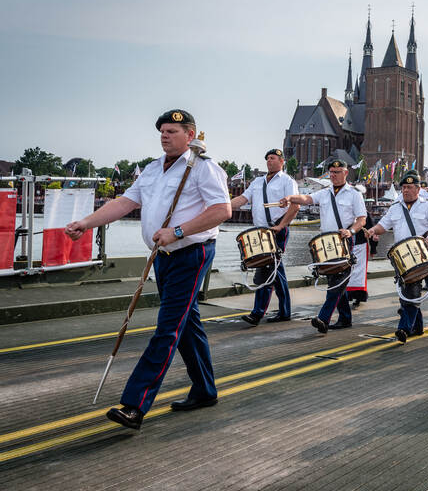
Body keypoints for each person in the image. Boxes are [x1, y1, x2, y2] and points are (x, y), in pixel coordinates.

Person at [65, 109, 231, 430]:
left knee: (167, 328)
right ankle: (205, 389)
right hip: (162, 256)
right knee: (186, 323)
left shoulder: (203, 169)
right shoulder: (154, 169)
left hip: (190, 253)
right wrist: (86, 223)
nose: (165, 136)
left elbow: (221, 210)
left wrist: (178, 231)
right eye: (162, 132)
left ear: (191, 134)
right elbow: (125, 203)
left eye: (172, 131)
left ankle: (135, 404)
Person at [278, 159, 366, 333]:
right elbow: (307, 198)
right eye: (331, 172)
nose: (333, 175)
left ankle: (323, 318)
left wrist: (351, 231)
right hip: (326, 242)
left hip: (343, 239)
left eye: (337, 172)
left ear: (346, 173)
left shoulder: (354, 194)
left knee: (338, 280)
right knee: (335, 279)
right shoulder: (325, 193)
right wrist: (290, 198)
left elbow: (361, 219)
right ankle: (345, 318)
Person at [366, 173, 428, 342]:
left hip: (419, 253)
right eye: (404, 187)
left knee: (412, 289)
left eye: (410, 187)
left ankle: (404, 328)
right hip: (400, 256)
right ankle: (418, 327)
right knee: (405, 289)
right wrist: (372, 231)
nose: (406, 190)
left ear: (418, 189)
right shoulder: (395, 207)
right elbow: (383, 225)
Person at [231, 148, 299, 325]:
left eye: (273, 158)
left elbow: (295, 206)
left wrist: (281, 226)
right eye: (268, 158)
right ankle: (282, 312)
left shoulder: (287, 181)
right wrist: (223, 206)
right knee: (272, 270)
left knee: (269, 269)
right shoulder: (258, 181)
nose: (269, 161)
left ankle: (258, 313)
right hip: (260, 232)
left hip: (276, 230)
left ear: (282, 161)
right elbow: (242, 199)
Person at [347, 185, 371, 308]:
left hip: (361, 245)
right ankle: (347, 295)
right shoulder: (347, 211)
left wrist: (374, 247)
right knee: (347, 271)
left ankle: (358, 296)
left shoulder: (365, 214)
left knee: (359, 273)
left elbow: (371, 231)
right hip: (348, 244)